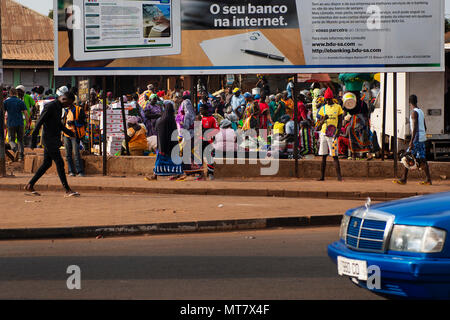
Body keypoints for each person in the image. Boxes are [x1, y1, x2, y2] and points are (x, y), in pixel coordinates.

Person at [25, 92, 80, 197]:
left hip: (53, 139)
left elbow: (58, 124)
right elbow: (39, 123)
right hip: (48, 140)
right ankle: (67, 189)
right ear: (64, 99)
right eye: (68, 103)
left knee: (47, 164)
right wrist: (33, 140)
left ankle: (30, 185)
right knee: (59, 163)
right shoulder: (50, 106)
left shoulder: (59, 107)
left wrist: (68, 132)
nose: (68, 106)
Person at [395, 95, 432, 186]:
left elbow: (415, 128)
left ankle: (405, 179)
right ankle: (426, 179)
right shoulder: (421, 112)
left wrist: (412, 141)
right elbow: (425, 126)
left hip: (416, 139)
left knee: (408, 157)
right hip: (421, 137)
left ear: (409, 103)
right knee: (414, 158)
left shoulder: (414, 113)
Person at [150, 101, 184, 180]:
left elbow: (159, 133)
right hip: (172, 146)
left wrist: (161, 146)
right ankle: (178, 174)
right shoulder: (171, 120)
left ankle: (155, 175)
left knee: (159, 161)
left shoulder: (161, 120)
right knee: (175, 161)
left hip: (163, 146)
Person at [316, 88, 344, 181]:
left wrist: (338, 132)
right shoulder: (323, 108)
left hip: (333, 135)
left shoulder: (338, 107)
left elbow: (340, 121)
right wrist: (324, 119)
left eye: (329, 99)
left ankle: (339, 177)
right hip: (324, 133)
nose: (327, 101)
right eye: (326, 99)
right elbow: (319, 124)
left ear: (332, 98)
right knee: (323, 156)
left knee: (335, 156)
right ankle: (322, 177)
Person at [4, 88, 30, 161]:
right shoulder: (20, 102)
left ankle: (15, 150)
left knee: (11, 140)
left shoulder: (6, 102)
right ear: (16, 94)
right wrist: (27, 123)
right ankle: (21, 156)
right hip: (20, 123)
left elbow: (3, 113)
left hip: (11, 123)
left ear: (10, 93)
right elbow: (26, 113)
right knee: (20, 140)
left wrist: (4, 122)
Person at [63, 101, 86, 176]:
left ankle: (80, 171)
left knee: (76, 153)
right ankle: (71, 171)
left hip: (75, 135)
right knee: (68, 154)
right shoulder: (66, 111)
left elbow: (83, 121)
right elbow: (63, 122)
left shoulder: (79, 110)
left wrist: (73, 122)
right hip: (66, 135)